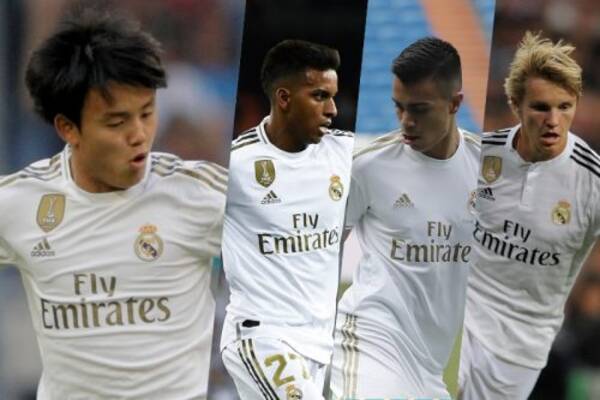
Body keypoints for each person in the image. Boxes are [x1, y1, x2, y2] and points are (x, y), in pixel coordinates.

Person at [0, 9, 226, 399]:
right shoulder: (22, 203)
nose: (139, 135)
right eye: (117, 122)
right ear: (68, 128)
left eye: (147, 113)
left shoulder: (199, 193)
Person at [329, 37, 480, 399]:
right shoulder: (368, 166)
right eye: (399, 107)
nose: (406, 121)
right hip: (369, 342)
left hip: (431, 367)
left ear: (455, 103)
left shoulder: (486, 170)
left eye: (420, 109)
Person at [458, 31, 597, 400]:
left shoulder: (592, 181)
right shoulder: (478, 155)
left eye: (565, 106)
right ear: (515, 104)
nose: (553, 120)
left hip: (522, 343)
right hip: (461, 314)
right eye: (540, 107)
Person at [220, 39, 353, 399]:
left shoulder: (345, 153)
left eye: (333, 97)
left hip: (319, 343)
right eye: (320, 96)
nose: (332, 110)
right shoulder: (237, 164)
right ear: (284, 98)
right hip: (260, 336)